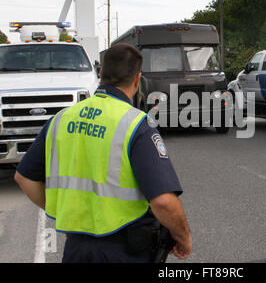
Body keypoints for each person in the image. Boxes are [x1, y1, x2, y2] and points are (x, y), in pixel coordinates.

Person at [14, 43, 192, 263]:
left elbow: (24, 178)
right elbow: (164, 201)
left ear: (101, 73)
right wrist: (183, 237)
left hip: (77, 249)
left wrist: (65, 209)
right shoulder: (136, 124)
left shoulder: (60, 119)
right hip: (125, 250)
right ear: (137, 79)